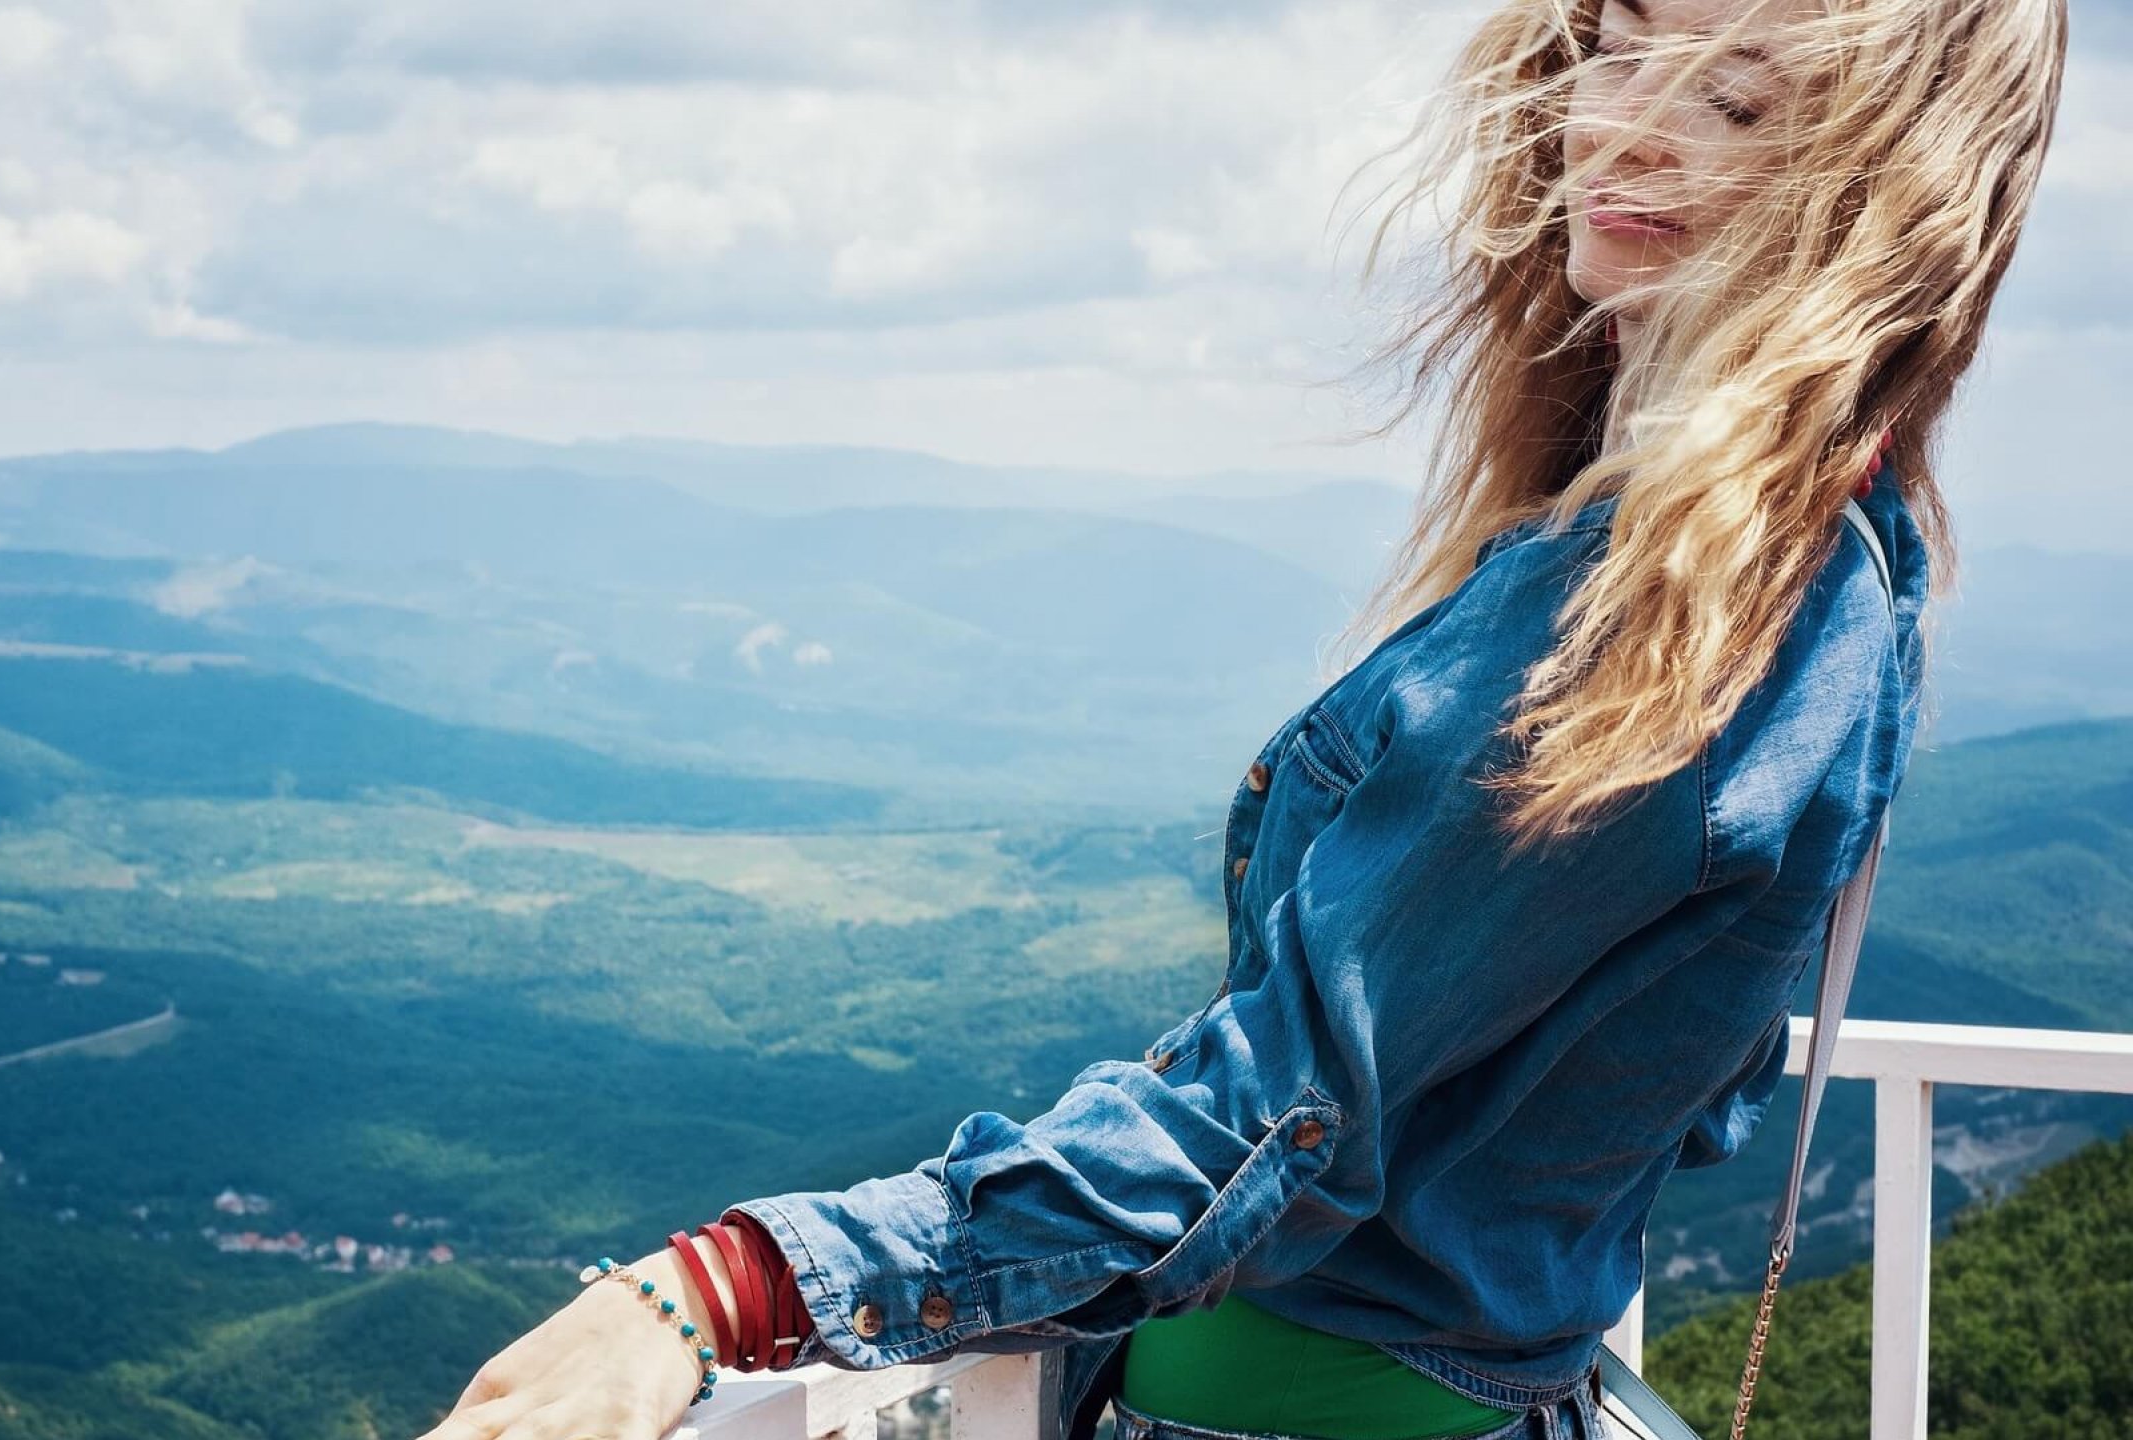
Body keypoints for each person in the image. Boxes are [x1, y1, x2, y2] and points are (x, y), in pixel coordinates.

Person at [420, 0, 2068, 1437]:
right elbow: (1684, 1074)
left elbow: (1266, 1116)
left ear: (1881, 188)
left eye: (1737, 99)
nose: (1628, 128)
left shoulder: (1671, 621)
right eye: (1618, 48)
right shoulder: (1844, 559)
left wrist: (716, 1291)